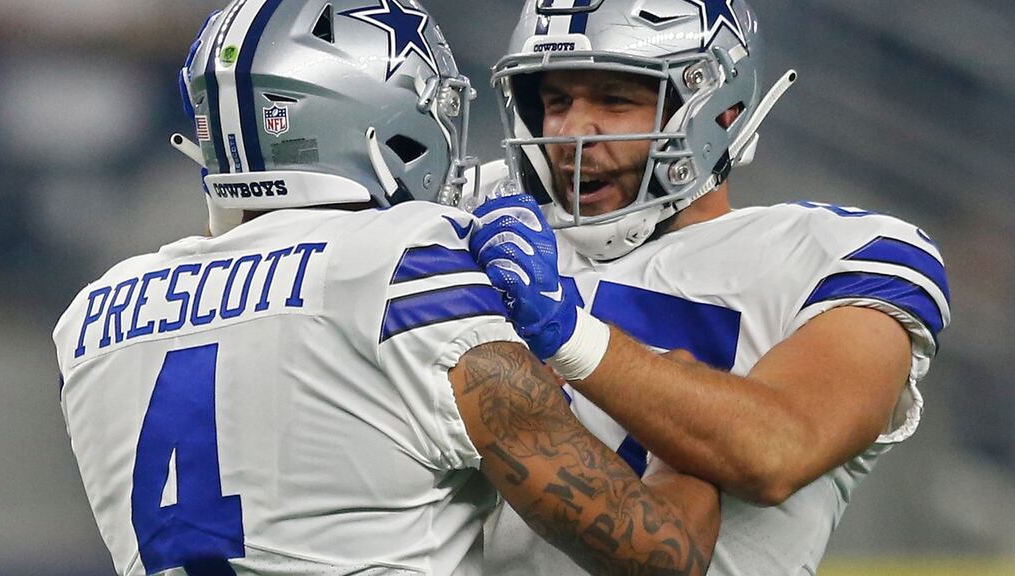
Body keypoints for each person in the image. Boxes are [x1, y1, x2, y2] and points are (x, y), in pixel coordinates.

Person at [52, 1, 721, 575]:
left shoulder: (91, 319)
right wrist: (685, 428)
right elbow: (661, 555)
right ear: (378, 116)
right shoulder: (409, 263)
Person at [466, 1, 952, 575]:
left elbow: (777, 450)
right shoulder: (482, 222)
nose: (572, 133)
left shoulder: (832, 253)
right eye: (556, 102)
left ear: (718, 109)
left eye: (614, 100)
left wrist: (570, 334)